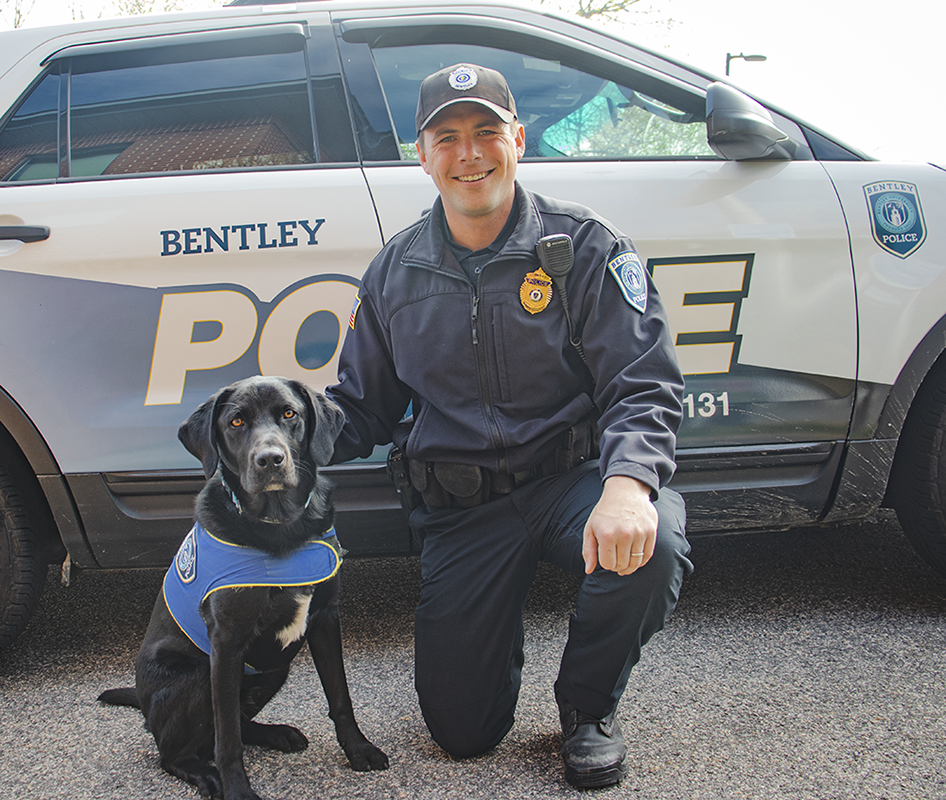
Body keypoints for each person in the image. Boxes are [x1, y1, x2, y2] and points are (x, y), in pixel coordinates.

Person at [326, 63, 692, 788]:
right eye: (448, 138)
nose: (471, 154)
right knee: (463, 736)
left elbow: (642, 381)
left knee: (651, 543)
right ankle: (487, 649)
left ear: (518, 140)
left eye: (487, 133)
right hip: (465, 512)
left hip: (571, 482)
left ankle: (587, 709)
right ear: (423, 157)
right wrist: (272, 440)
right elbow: (361, 409)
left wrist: (626, 487)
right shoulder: (393, 273)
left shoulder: (584, 246)